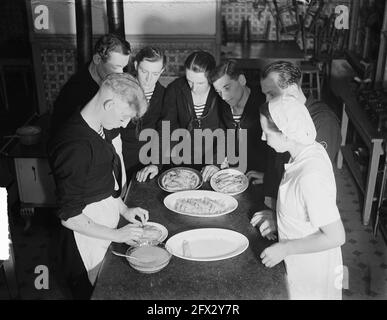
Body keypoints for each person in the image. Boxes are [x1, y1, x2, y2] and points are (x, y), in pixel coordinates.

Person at [48, 73, 149, 300]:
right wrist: (117, 234)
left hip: (105, 231)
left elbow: (104, 182)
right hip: (85, 245)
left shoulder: (99, 127)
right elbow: (69, 216)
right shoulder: (74, 145)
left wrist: (123, 209)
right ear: (109, 104)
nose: (124, 124)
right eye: (124, 117)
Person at [250, 95, 345, 299]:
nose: (263, 138)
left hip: (312, 272)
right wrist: (279, 220)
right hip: (301, 264)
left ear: (286, 134)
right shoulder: (306, 152)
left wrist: (285, 248)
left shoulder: (310, 175)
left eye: (267, 133)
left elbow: (336, 236)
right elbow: (303, 210)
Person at [256, 61, 341, 209]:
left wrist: (278, 218)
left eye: (271, 94)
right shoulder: (280, 114)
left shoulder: (324, 121)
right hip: (279, 191)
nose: (267, 101)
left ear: (293, 89)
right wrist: (269, 183)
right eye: (265, 95)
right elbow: (274, 157)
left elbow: (312, 181)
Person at [137, 50, 223, 183]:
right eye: (190, 81)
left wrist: (216, 163)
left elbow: (227, 131)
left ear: (211, 78)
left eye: (200, 83)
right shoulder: (175, 89)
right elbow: (166, 128)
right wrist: (156, 163)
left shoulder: (221, 92)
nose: (194, 88)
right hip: (181, 163)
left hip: (213, 163)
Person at [50, 33, 131, 133]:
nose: (121, 73)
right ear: (97, 59)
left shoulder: (107, 79)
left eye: (123, 67)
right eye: (115, 67)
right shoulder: (75, 91)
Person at [211, 59, 267, 176]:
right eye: (218, 91)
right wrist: (215, 163)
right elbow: (223, 136)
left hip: (258, 174)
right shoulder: (222, 105)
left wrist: (268, 176)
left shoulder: (264, 104)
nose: (223, 97)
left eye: (226, 88)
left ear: (242, 80)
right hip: (233, 172)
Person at [121, 46, 166, 179]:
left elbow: (164, 132)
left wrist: (156, 164)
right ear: (136, 65)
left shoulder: (165, 95)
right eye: (144, 71)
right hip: (117, 158)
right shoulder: (120, 87)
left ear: (162, 71)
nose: (148, 79)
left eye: (155, 74)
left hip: (148, 161)